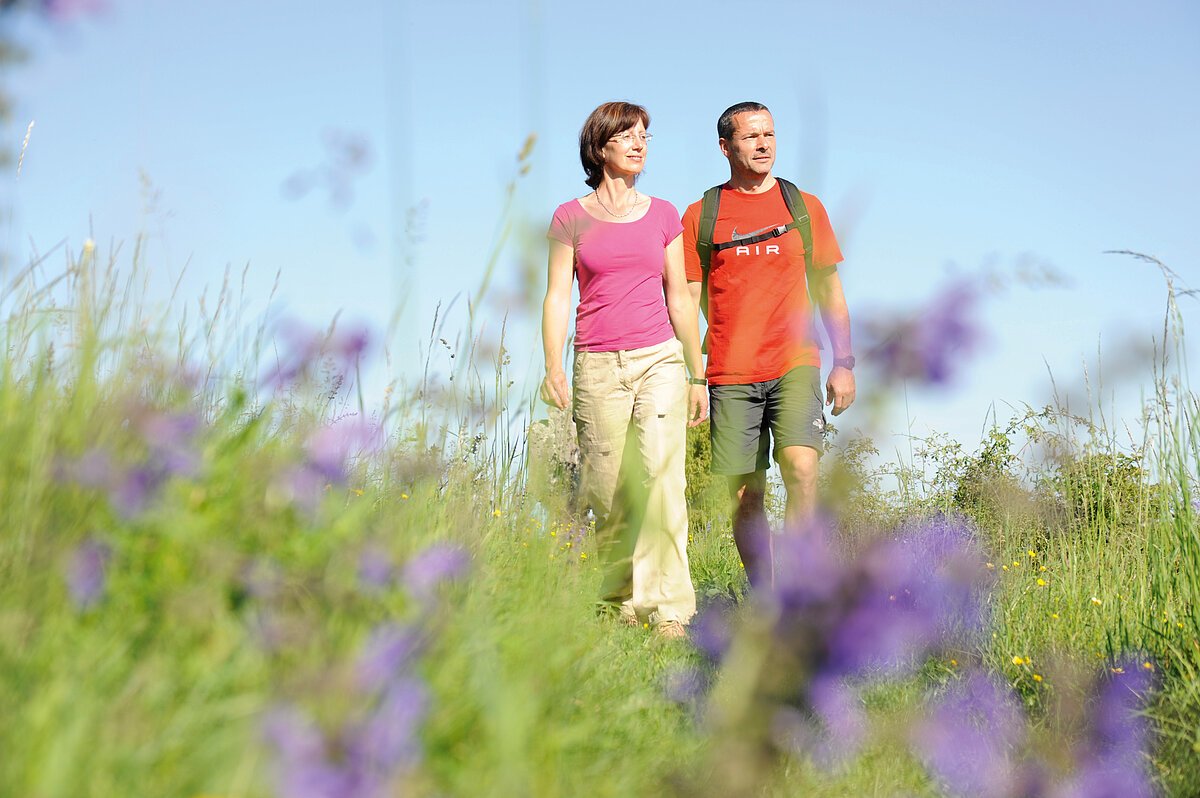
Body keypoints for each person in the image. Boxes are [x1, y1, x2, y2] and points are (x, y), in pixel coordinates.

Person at [541, 101, 708, 638]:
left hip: (659, 356)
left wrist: (696, 371)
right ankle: (619, 596)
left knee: (663, 477)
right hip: (595, 361)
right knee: (607, 487)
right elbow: (555, 297)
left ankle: (670, 609)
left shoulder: (664, 214)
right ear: (601, 146)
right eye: (628, 134)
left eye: (645, 135)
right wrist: (552, 366)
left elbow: (680, 298)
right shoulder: (570, 217)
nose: (640, 143)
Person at [682, 101, 856, 589]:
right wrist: (694, 371)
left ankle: (796, 591)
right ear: (725, 147)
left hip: (795, 360)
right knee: (745, 495)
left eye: (770, 135)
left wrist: (844, 361)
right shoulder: (701, 215)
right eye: (751, 137)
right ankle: (763, 593)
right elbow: (687, 299)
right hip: (730, 372)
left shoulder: (803, 207)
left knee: (801, 469)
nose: (763, 145)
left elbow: (829, 290)